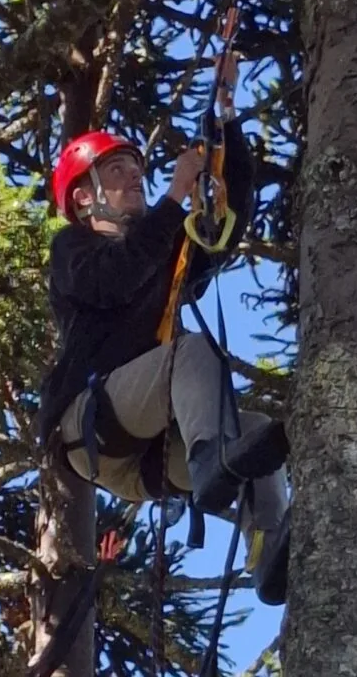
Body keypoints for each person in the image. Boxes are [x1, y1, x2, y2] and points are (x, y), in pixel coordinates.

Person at [32, 52, 291, 606]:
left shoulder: (161, 251)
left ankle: (266, 551)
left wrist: (225, 121)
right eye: (117, 171)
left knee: (256, 429)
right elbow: (115, 280)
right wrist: (174, 198)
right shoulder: (74, 248)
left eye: (136, 169)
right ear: (83, 197)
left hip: (142, 455)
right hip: (90, 422)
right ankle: (212, 462)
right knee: (191, 354)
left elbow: (227, 226)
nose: (134, 178)